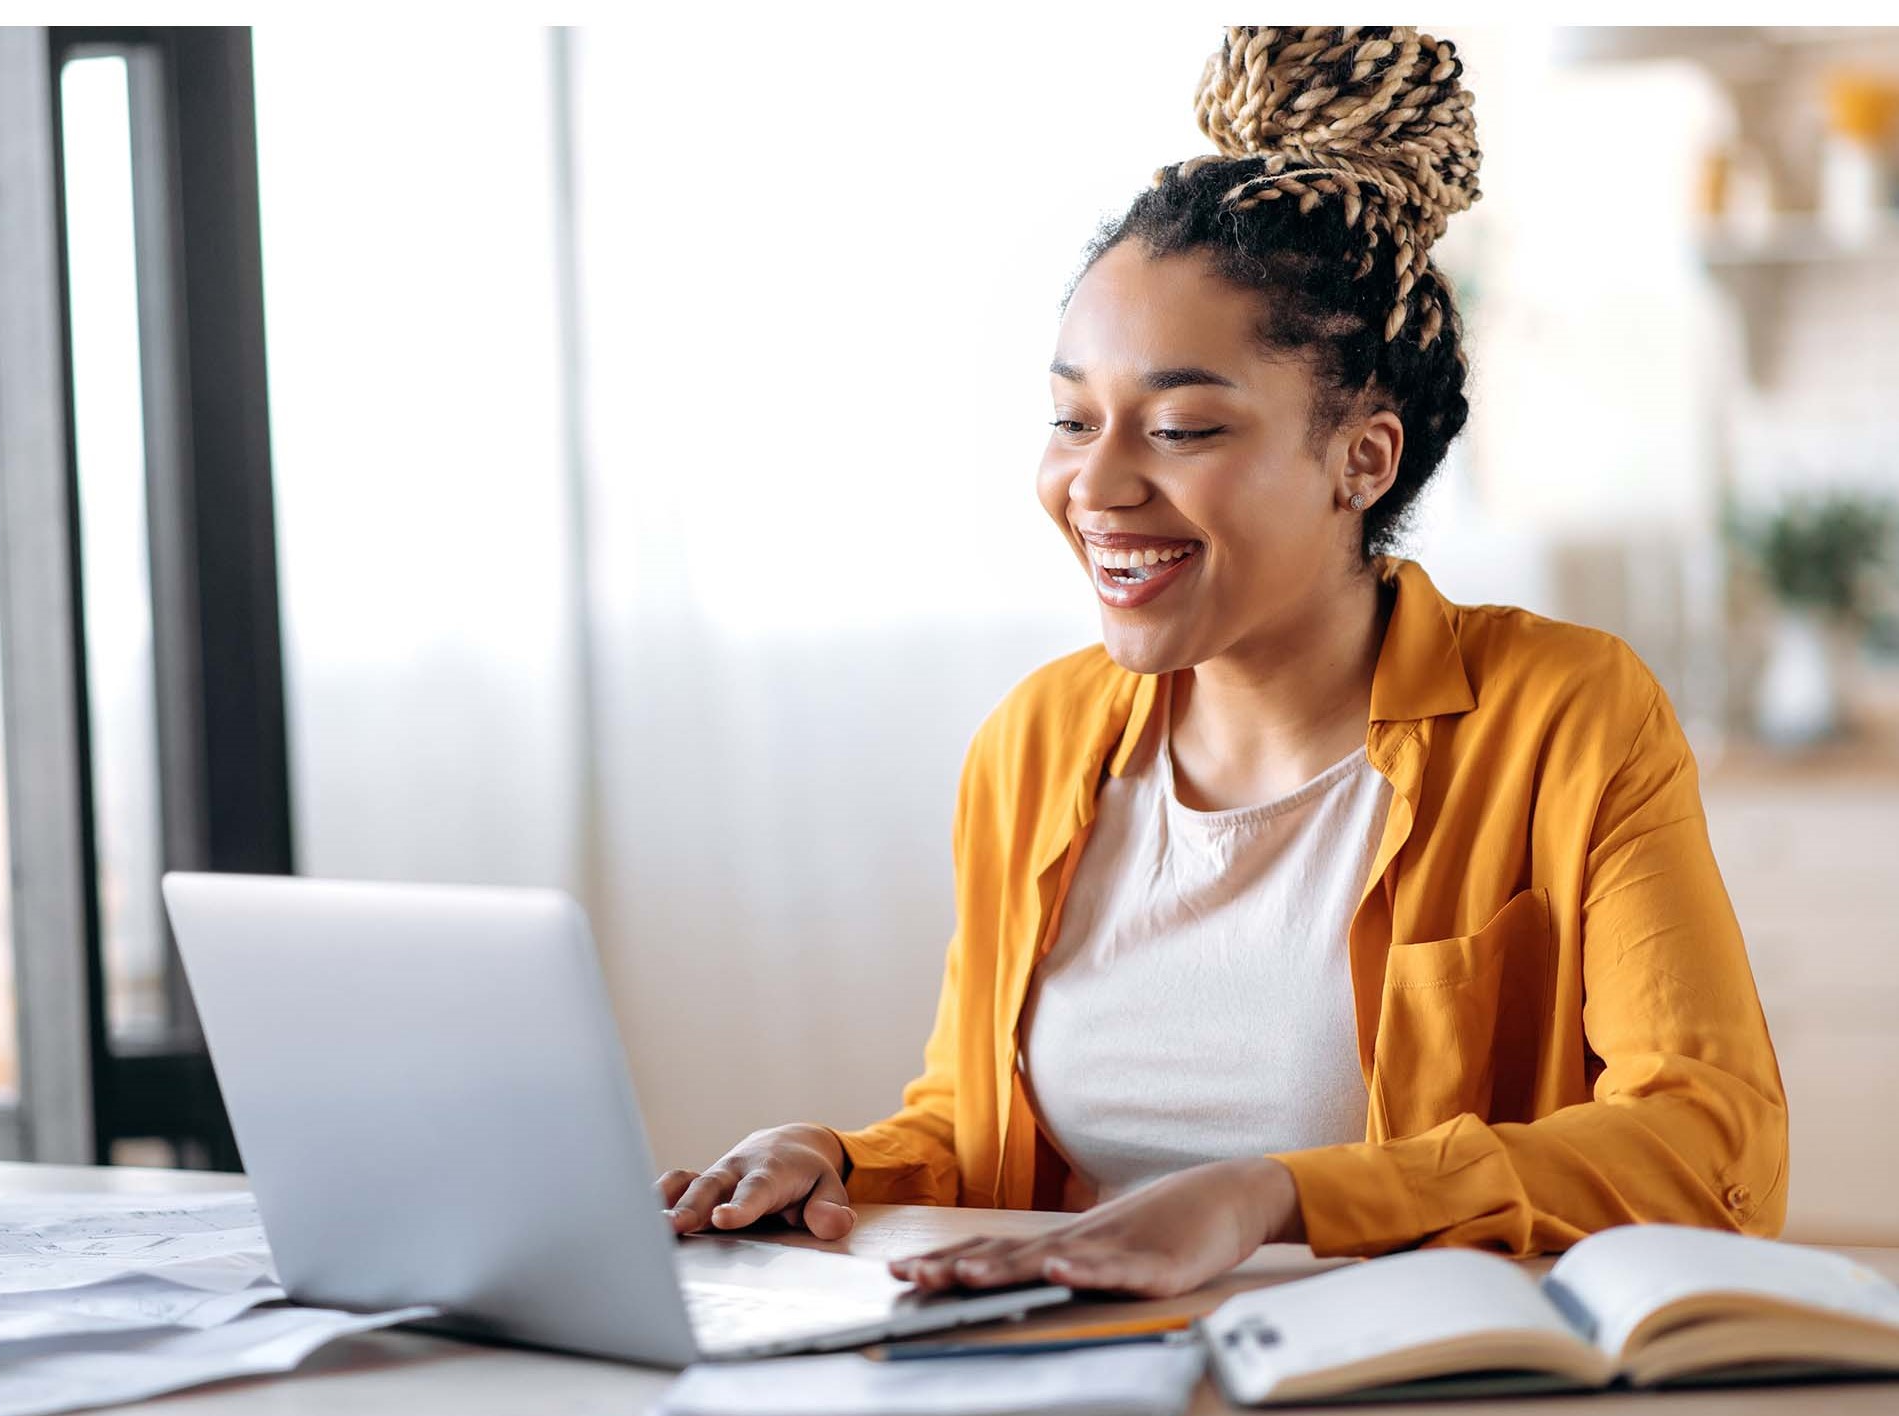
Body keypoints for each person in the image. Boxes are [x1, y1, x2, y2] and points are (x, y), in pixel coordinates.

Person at [653, 24, 1788, 1299]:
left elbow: (1708, 1146)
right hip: (1084, 1367)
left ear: (1361, 457)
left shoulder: (1564, 717)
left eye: (1182, 426)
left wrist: (1275, 1196)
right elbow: (983, 1139)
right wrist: (834, 1162)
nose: (1095, 483)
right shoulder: (1033, 744)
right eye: (1073, 419)